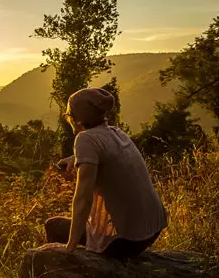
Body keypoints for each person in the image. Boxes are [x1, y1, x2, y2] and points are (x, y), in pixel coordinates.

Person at [46, 88, 168, 260]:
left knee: (53, 225)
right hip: (152, 229)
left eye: (68, 115)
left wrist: (70, 246)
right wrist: (76, 158)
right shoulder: (116, 132)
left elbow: (83, 199)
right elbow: (110, 153)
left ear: (77, 119)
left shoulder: (84, 139)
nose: (68, 119)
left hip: (125, 240)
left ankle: (63, 275)